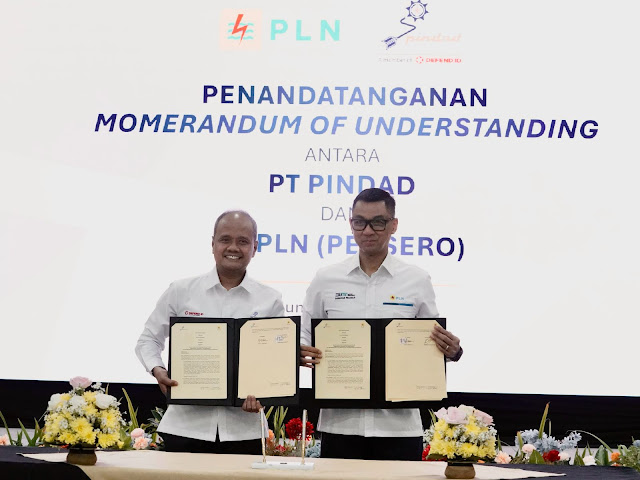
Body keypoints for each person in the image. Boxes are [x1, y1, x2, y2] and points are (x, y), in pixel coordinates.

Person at [300, 188, 463, 461]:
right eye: (359, 222)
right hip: (341, 425)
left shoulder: (416, 279)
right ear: (351, 224)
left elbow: (431, 343)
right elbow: (305, 335)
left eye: (378, 222)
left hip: (399, 427)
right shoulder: (326, 279)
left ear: (393, 225)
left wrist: (451, 350)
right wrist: (300, 352)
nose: (367, 230)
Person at [135, 210, 284, 454]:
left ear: (255, 247)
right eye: (225, 239)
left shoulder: (270, 299)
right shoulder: (181, 290)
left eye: (243, 241)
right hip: (185, 428)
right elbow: (148, 340)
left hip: (244, 431)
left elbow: (276, 361)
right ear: (213, 243)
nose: (233, 247)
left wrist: (265, 393)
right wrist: (158, 370)